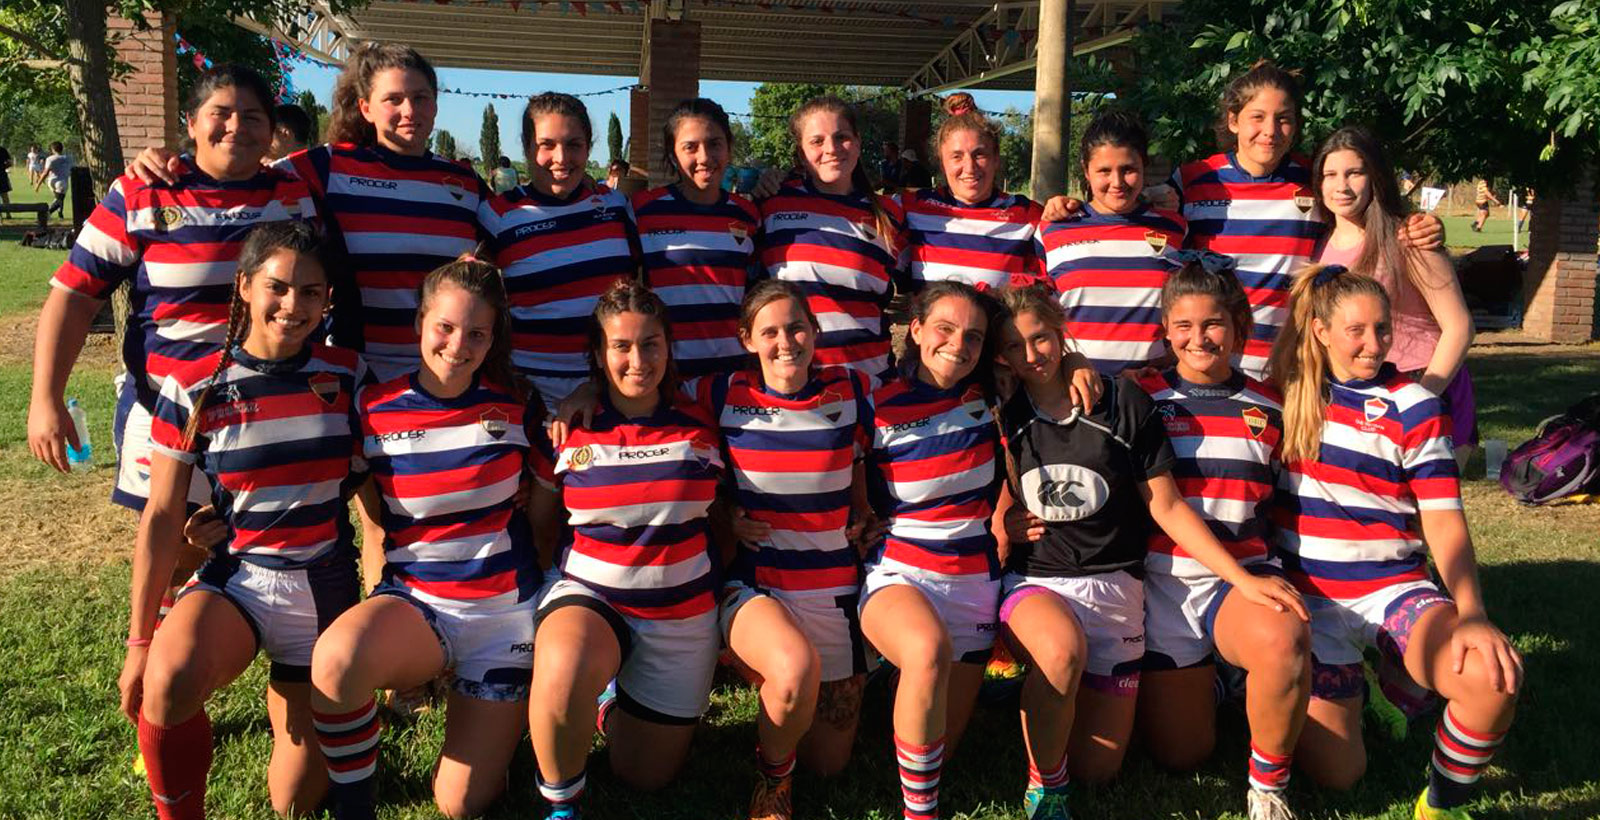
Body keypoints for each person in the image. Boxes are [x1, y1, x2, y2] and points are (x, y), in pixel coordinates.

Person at [125, 43, 484, 597]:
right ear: (365, 107)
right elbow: (238, 169)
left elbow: (497, 255)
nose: (409, 110)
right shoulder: (324, 167)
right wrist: (168, 161)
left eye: (421, 98)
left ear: (437, 105)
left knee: (408, 519)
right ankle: (176, 614)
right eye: (394, 99)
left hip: (443, 377)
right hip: (362, 380)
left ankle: (396, 627)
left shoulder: (466, 184)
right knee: (371, 520)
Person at [992, 281, 1307, 819]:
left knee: (1131, 763)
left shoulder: (1122, 399)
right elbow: (988, 482)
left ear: (1061, 332)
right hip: (1063, 580)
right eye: (1014, 345)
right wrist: (1006, 522)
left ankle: (1258, 766)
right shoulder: (1001, 406)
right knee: (1082, 682)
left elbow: (1167, 504)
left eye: (1041, 338)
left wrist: (1246, 578)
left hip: (1124, 585)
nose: (1031, 353)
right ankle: (1046, 782)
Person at [30, 68, 316, 616]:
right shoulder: (142, 191)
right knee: (174, 550)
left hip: (261, 410)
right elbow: (74, 297)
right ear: (191, 121)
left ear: (271, 130)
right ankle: (158, 655)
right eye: (221, 114)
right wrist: (46, 398)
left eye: (252, 117)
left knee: (247, 546)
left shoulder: (294, 195)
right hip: (164, 406)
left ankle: (218, 641)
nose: (236, 127)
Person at [117, 221, 366, 820]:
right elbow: (161, 515)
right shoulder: (194, 384)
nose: (293, 305)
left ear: (328, 299)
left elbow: (375, 483)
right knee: (168, 678)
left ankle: (294, 700)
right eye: (277, 287)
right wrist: (139, 640)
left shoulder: (349, 375)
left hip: (323, 584)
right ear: (245, 286)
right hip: (239, 580)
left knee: (294, 802)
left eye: (310, 292)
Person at [1268, 265, 1521, 820]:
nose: (1373, 344)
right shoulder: (1280, 393)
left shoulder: (1415, 405)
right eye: (1356, 330)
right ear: (1320, 331)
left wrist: (1472, 613)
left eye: (1382, 329)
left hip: (1393, 590)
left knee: (1491, 680)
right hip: (1309, 603)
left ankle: (1439, 805)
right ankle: (1373, 686)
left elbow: (1445, 521)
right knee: (1340, 775)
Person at [310, 256, 555, 820]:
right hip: (419, 605)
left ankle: (502, 724)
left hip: (503, 618)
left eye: (476, 333)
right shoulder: (372, 409)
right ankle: (356, 807)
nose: (457, 345)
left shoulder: (520, 404)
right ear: (420, 321)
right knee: (337, 662)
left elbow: (545, 521)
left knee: (460, 803)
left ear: (492, 338)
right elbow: (370, 516)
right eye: (444, 326)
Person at [529, 280, 724, 818]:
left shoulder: (704, 421)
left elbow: (724, 515)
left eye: (650, 344)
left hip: (682, 612)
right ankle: (562, 806)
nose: (638, 361)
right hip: (594, 597)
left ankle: (608, 704)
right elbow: (541, 527)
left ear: (669, 347)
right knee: (565, 667)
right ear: (598, 353)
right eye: (621, 346)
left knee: (644, 776)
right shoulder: (566, 430)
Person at [1132, 252, 1313, 820]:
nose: (1199, 338)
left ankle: (1268, 789)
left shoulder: (1273, 403)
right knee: (1182, 755)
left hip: (1244, 580)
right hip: (1166, 586)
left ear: (1238, 326)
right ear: (1166, 331)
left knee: (1282, 641)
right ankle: (1225, 680)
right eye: (1183, 325)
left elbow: (1295, 501)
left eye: (1213, 323)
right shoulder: (1139, 398)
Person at [710, 280, 874, 820]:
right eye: (770, 332)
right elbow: (654, 424)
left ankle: (785, 687)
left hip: (834, 589)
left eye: (797, 328)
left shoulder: (851, 389)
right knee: (793, 670)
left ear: (815, 331)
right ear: (746, 339)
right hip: (758, 583)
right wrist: (727, 514)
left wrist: (865, 507)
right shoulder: (720, 393)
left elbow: (866, 457)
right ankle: (773, 781)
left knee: (829, 763)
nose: (786, 342)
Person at [858, 281, 1002, 820]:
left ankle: (888, 682)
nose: (958, 344)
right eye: (945, 328)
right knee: (926, 651)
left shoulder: (993, 395)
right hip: (899, 571)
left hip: (974, 582)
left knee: (941, 745)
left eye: (974, 336)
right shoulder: (873, 403)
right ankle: (921, 812)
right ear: (915, 329)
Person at [1314, 126, 1476, 467]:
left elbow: (1459, 327)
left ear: (1375, 177)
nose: (1341, 186)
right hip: (1351, 393)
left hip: (1421, 383)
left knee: (1426, 499)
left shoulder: (1409, 236)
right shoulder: (1318, 244)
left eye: (1354, 173)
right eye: (1330, 174)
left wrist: (1419, 400)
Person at [479, 91, 641, 414]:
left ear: (588, 147)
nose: (561, 157)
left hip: (611, 392)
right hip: (528, 399)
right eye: (547, 144)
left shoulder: (616, 206)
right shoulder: (497, 215)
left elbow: (643, 292)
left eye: (573, 144)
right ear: (527, 147)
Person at [760, 95, 905, 386]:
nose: (831, 149)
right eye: (817, 141)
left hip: (869, 384)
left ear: (858, 143)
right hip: (793, 385)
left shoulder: (890, 214)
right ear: (801, 153)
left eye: (842, 137)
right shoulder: (771, 203)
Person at [1040, 109, 1187, 376]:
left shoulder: (1175, 228)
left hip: (1153, 388)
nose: (1117, 182)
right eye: (1104, 171)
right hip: (1075, 389)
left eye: (1128, 169)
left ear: (1144, 165)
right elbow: (1036, 318)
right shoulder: (1052, 229)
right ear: (1086, 170)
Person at [635, 98, 762, 379]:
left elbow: (758, 291)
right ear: (672, 154)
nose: (704, 157)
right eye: (690, 147)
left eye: (714, 144)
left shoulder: (749, 214)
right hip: (667, 374)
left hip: (735, 372)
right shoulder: (643, 211)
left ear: (729, 147)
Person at [901, 95, 1046, 293]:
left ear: (996, 158)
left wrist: (1065, 209)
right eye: (956, 156)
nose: (969, 168)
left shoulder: (1027, 214)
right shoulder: (912, 207)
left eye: (979, 155)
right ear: (942, 162)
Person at [36, 141, 72, 218]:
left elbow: (45, 172)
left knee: (58, 198)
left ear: (53, 149)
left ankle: (60, 213)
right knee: (59, 199)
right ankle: (47, 214)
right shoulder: (68, 158)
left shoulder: (50, 159)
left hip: (51, 181)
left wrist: (38, 184)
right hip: (62, 182)